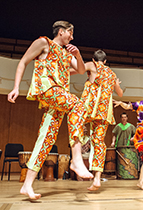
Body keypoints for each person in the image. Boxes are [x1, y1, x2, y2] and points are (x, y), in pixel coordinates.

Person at [7, 21, 93, 199]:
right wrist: (16, 87)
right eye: (70, 33)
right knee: (77, 104)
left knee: (46, 138)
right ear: (61, 32)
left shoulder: (66, 53)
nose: (72, 37)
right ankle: (76, 158)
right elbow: (23, 61)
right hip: (48, 89)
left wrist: (77, 54)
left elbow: (82, 69)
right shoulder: (44, 43)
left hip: (59, 97)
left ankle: (27, 185)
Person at [79, 49, 123, 191]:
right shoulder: (112, 73)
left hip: (90, 107)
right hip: (104, 112)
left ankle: (77, 161)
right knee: (98, 143)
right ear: (105, 61)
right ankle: (97, 178)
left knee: (75, 128)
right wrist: (117, 84)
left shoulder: (92, 66)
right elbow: (120, 94)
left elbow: (77, 70)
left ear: (93, 60)